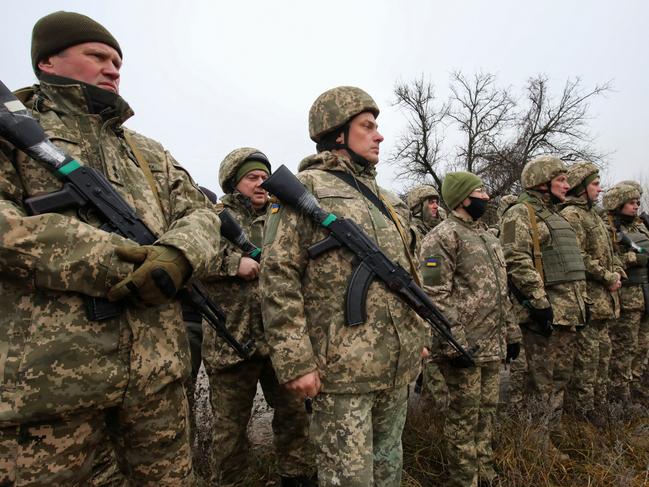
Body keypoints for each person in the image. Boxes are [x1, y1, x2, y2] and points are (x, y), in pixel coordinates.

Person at [0, 11, 220, 485]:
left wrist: (178, 256)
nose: (113, 68)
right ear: (48, 61)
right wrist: (116, 260)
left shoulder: (147, 151)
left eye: (118, 60)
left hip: (155, 380)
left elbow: (203, 215)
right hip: (51, 387)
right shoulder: (10, 132)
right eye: (96, 55)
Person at [260, 86, 429, 487]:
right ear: (338, 134)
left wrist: (418, 334)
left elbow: (408, 274)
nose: (379, 135)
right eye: (367, 126)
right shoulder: (307, 189)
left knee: (389, 469)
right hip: (339, 373)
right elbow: (278, 277)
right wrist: (295, 361)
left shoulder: (388, 200)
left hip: (395, 365)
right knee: (347, 478)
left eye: (377, 127)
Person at [201, 148, 315, 486]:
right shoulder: (211, 217)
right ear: (234, 182)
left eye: (265, 177)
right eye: (252, 177)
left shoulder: (280, 218)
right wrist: (232, 264)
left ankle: (297, 477)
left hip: (278, 341)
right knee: (230, 430)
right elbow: (190, 259)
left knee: (294, 418)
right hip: (232, 342)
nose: (261, 182)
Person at [421, 172, 520, 487]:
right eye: (479, 191)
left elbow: (501, 292)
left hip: (492, 345)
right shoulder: (442, 237)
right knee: (464, 418)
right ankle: (465, 479)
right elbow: (435, 295)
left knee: (487, 413)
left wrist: (512, 333)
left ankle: (486, 473)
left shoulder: (489, 238)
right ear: (463, 198)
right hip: (464, 348)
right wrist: (455, 345)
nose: (486, 196)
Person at [499, 155, 587, 454]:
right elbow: (515, 259)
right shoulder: (521, 214)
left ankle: (552, 430)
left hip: (568, 313)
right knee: (541, 382)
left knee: (560, 378)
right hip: (544, 315)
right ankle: (535, 441)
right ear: (542, 182)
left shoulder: (557, 215)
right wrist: (538, 301)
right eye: (561, 179)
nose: (567, 184)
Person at [561, 162, 621, 419]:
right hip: (589, 302)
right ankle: (581, 419)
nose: (600, 188)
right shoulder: (572, 216)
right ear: (582, 188)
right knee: (585, 365)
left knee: (602, 362)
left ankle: (598, 411)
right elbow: (579, 257)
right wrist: (607, 276)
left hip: (605, 303)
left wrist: (617, 269)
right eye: (595, 184)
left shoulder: (594, 216)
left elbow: (610, 252)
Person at [603, 182, 649, 404]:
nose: (635, 207)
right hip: (627, 298)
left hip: (645, 297)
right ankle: (619, 403)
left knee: (642, 351)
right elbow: (607, 261)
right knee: (624, 352)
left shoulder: (641, 227)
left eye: (637, 203)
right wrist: (633, 258)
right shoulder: (610, 229)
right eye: (631, 203)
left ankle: (639, 399)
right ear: (618, 204)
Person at [407, 185, 448, 404]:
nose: (435, 206)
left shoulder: (440, 230)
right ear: (417, 206)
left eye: (437, 202)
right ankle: (432, 417)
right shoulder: (411, 232)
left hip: (441, 301)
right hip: (423, 303)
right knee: (431, 360)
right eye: (430, 202)